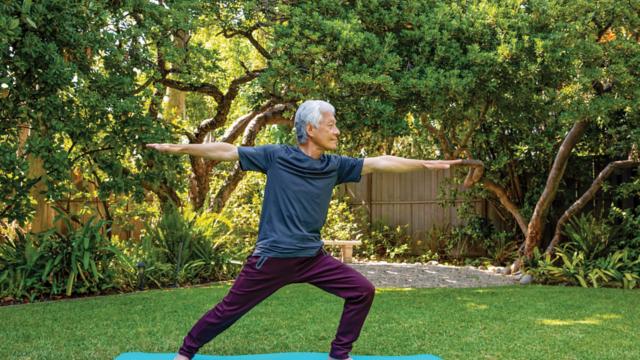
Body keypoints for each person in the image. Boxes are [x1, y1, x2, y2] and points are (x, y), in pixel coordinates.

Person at [146, 100, 455, 360]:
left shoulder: (334, 165)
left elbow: (381, 162)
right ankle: (185, 353)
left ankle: (339, 355)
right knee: (229, 310)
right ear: (310, 130)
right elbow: (228, 151)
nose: (336, 131)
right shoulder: (277, 157)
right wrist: (179, 148)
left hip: (311, 258)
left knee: (362, 291)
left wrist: (427, 164)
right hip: (273, 258)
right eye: (330, 124)